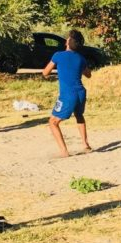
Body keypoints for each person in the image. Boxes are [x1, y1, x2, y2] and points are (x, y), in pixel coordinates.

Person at [42, 30, 91, 158]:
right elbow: (88, 74)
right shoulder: (81, 58)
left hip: (68, 94)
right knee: (79, 115)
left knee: (53, 122)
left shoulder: (58, 55)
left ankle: (64, 151)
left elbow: (45, 72)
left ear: (68, 42)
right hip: (81, 92)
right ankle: (85, 145)